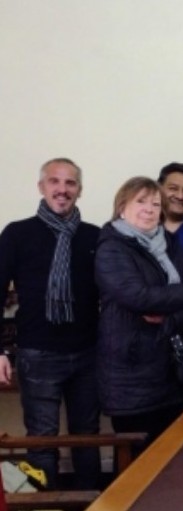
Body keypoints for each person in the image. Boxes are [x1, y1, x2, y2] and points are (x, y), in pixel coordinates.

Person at [0, 158, 101, 489]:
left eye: (70, 183)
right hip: (37, 354)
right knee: (42, 440)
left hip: (88, 353)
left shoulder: (95, 237)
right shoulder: (16, 234)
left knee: (87, 436)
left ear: (80, 191)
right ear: (41, 187)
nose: (62, 189)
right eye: (55, 182)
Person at [95, 176, 183, 448]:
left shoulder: (168, 242)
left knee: (174, 458)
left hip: (171, 373)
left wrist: (170, 318)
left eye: (156, 204)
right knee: (139, 464)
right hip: (131, 377)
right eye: (141, 202)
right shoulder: (111, 247)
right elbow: (139, 297)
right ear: (122, 207)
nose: (149, 209)